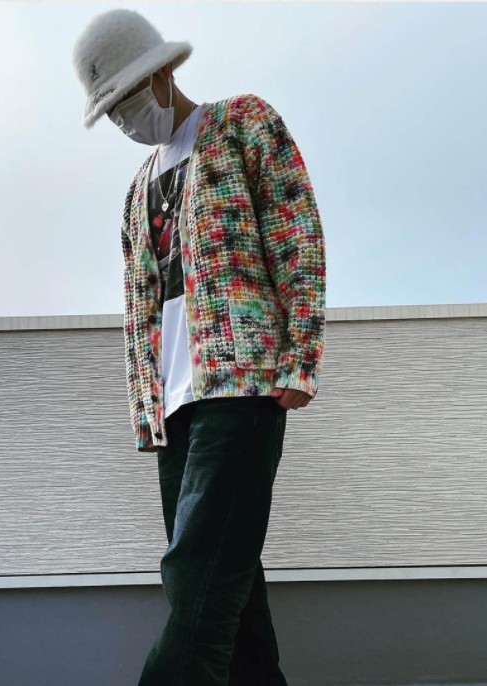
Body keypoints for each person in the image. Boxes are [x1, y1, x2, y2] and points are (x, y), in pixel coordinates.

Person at [72, 8, 326, 686]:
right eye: (111, 112)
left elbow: (296, 236)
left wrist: (300, 355)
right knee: (230, 592)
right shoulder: (137, 190)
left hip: (240, 388)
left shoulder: (242, 123)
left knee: (196, 583)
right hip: (175, 408)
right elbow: (141, 307)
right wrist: (146, 409)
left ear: (160, 75)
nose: (124, 121)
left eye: (126, 100)